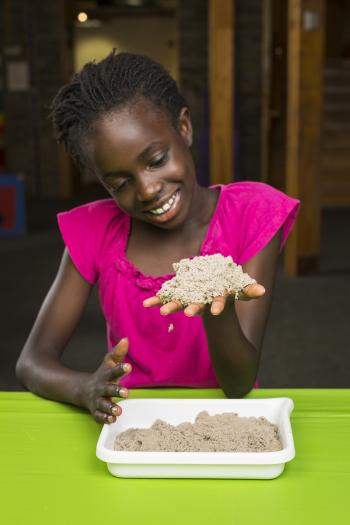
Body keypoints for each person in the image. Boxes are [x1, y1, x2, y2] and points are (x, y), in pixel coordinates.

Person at [16, 50, 300, 424]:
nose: (148, 189)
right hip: (132, 425)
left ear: (183, 128)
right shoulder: (95, 232)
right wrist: (82, 388)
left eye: (156, 160)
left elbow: (239, 383)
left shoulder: (252, 215)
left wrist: (217, 308)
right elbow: (32, 362)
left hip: (226, 422)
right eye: (120, 182)